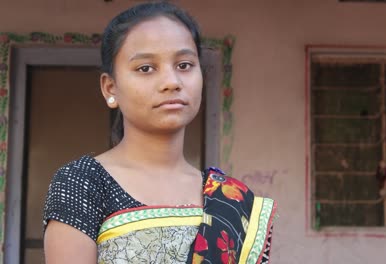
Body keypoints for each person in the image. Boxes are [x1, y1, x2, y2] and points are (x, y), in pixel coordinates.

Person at [43, 2, 277, 264]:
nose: (171, 82)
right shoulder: (84, 183)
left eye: (185, 65)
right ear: (110, 88)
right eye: (146, 68)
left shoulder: (232, 200)